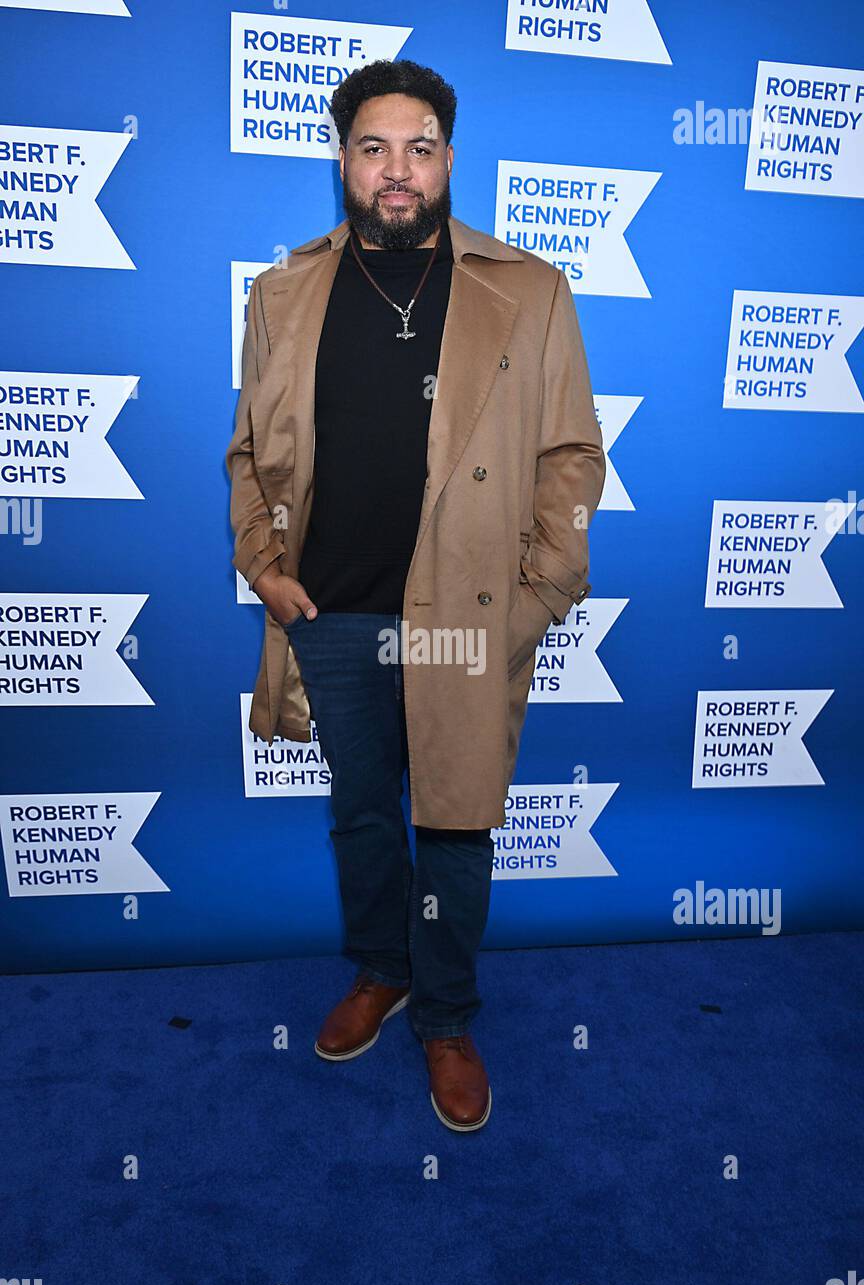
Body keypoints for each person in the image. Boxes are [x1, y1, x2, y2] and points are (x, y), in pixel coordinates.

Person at [226, 59, 606, 1132]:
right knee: (360, 814)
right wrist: (264, 566)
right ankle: (382, 968)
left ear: (449, 158)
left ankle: (445, 1013)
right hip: (331, 611)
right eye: (374, 147)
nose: (398, 172)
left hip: (463, 624)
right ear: (342, 160)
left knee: (453, 825)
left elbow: (572, 454)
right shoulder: (284, 292)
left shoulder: (528, 290)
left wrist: (538, 594)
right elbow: (249, 456)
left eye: (420, 146)